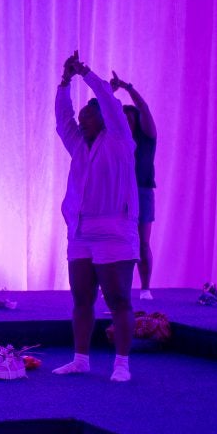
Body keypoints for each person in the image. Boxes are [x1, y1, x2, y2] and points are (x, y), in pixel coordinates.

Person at [54, 51, 138, 383]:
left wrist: (85, 73)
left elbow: (110, 101)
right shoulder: (78, 145)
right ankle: (81, 358)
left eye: (89, 114)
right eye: (83, 115)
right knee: (82, 298)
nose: (82, 119)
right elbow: (62, 119)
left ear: (103, 118)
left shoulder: (119, 139)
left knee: (118, 298)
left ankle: (121, 363)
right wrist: (64, 83)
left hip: (115, 231)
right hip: (80, 232)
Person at [110, 72, 157, 301]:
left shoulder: (148, 137)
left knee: (142, 241)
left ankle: (145, 288)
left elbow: (145, 109)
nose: (126, 120)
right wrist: (108, 93)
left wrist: (128, 87)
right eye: (123, 117)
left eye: (130, 118)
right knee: (119, 240)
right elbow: (103, 115)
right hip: (120, 193)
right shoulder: (116, 141)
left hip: (143, 191)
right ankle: (115, 287)